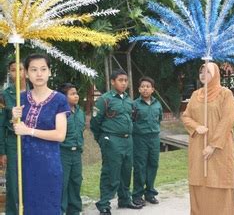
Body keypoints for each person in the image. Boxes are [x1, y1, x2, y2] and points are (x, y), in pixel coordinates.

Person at [12, 54, 70, 215]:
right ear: (26, 74)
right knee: (26, 206)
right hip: (24, 163)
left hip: (48, 163)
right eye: (34, 70)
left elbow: (60, 135)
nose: (39, 74)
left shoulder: (59, 100)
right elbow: (17, 129)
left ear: (50, 72)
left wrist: (29, 131)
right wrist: (14, 117)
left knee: (48, 207)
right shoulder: (21, 98)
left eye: (43, 69)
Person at [182, 62, 234, 215]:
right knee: (199, 183)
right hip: (198, 146)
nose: (203, 74)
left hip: (220, 148)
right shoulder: (195, 95)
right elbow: (186, 116)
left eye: (208, 71)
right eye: (201, 71)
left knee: (218, 183)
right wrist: (196, 126)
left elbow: (228, 120)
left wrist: (212, 145)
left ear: (216, 74)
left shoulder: (225, 94)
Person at [90, 69, 142, 215]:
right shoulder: (104, 100)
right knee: (110, 172)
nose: (124, 83)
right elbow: (95, 122)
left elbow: (132, 118)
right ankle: (104, 204)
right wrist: (102, 139)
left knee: (126, 171)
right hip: (112, 140)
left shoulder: (128, 100)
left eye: (126, 80)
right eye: (120, 80)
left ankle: (125, 199)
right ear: (113, 82)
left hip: (128, 140)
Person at [0, 61, 28, 215]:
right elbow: (1, 125)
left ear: (26, 72)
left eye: (20, 69)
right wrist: (2, 151)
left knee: (31, 177)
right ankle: (13, 212)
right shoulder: (4, 95)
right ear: (9, 73)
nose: (17, 73)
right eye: (12, 70)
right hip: (13, 141)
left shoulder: (34, 93)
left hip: (32, 140)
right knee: (13, 181)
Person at [132, 77, 163, 206]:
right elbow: (131, 120)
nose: (145, 88)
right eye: (143, 86)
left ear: (153, 89)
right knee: (140, 166)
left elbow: (159, 119)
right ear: (139, 89)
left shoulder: (157, 104)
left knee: (153, 164)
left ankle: (150, 193)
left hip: (154, 138)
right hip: (140, 139)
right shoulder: (135, 104)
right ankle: (137, 195)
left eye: (148, 86)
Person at [58, 83, 86, 214]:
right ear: (64, 97)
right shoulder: (60, 113)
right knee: (63, 183)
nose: (76, 96)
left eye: (76, 93)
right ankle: (61, 210)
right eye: (72, 94)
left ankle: (74, 210)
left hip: (77, 153)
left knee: (76, 181)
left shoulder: (80, 112)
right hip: (63, 152)